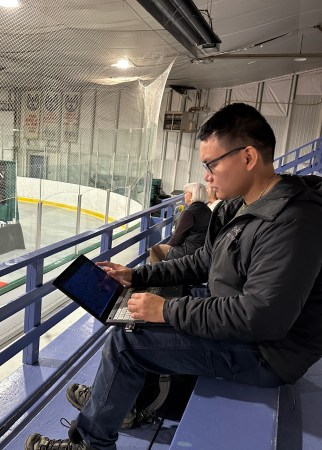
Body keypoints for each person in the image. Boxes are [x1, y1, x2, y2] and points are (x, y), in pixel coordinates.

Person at [24, 103, 322, 450]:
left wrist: (166, 310)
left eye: (212, 164)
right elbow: (203, 261)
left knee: (128, 343)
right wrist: (136, 277)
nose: (207, 176)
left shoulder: (294, 222)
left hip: (267, 353)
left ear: (248, 157)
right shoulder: (236, 205)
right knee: (134, 314)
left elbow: (262, 318)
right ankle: (118, 399)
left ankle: (91, 442)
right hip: (233, 314)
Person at [149, 182, 211, 263]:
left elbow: (176, 238)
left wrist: (167, 247)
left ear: (192, 195)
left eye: (186, 193)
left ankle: (157, 274)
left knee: (155, 250)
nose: (184, 195)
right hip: (203, 250)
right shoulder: (208, 210)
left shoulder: (189, 213)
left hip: (188, 251)